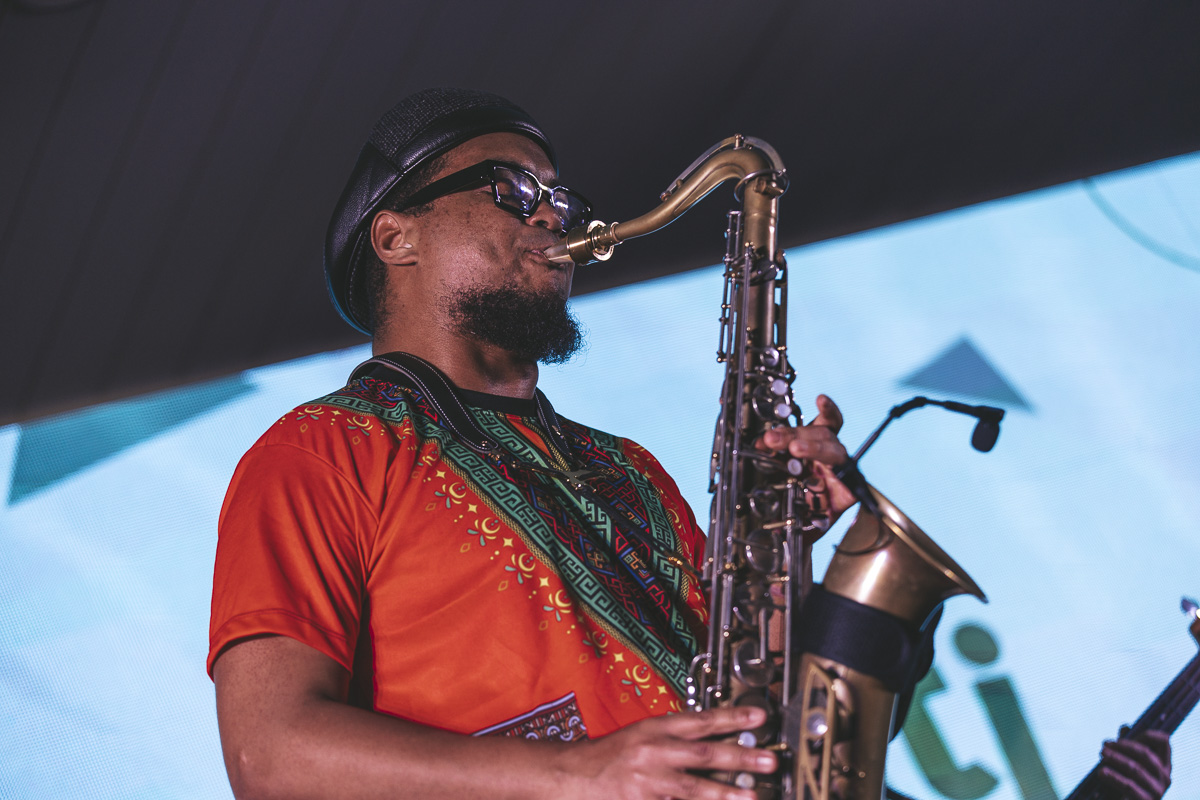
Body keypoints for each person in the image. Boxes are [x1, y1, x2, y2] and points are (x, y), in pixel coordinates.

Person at [207, 89, 1171, 800]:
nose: (553, 214)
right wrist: (584, 776)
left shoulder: (625, 469)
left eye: (559, 197)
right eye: (514, 189)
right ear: (395, 238)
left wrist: (794, 555)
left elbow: (764, 715)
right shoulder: (320, 453)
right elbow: (269, 756)